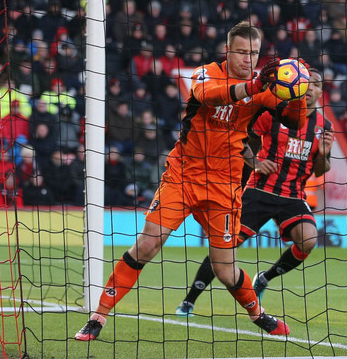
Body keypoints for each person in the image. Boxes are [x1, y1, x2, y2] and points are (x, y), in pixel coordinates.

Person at [74, 21, 307, 341]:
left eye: (254, 53)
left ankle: (258, 314)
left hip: (225, 185)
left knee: (225, 269)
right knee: (148, 243)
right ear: (228, 50)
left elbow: (295, 121)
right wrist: (254, 87)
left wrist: (299, 89)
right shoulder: (206, 73)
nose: (248, 59)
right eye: (241, 52)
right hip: (183, 175)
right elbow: (210, 97)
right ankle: (98, 315)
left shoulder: (264, 89)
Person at [174, 68, 333, 316]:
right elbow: (243, 141)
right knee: (226, 247)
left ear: (321, 91)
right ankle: (190, 300)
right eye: (307, 83)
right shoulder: (274, 114)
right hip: (260, 190)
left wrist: (324, 154)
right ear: (296, 87)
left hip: (293, 196)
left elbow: (321, 170)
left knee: (309, 239)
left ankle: (265, 278)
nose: (310, 88)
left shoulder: (324, 126)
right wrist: (257, 162)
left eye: (315, 84)